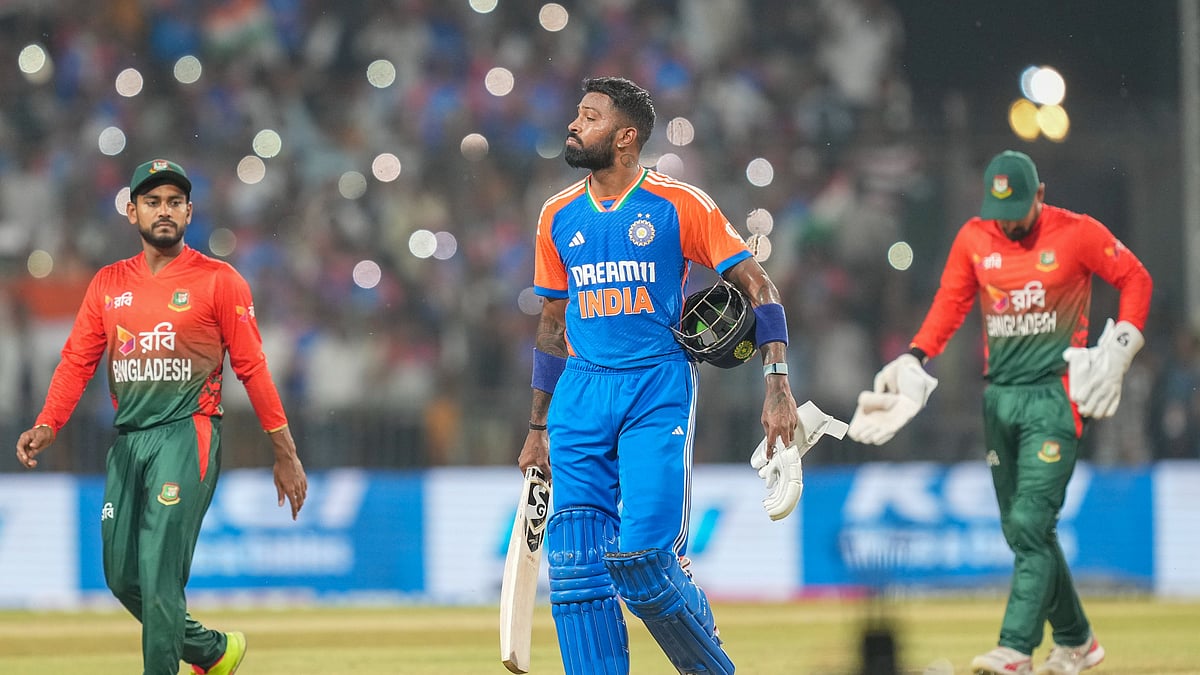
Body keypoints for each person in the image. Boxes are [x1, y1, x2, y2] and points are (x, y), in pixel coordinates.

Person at [517, 76, 800, 675]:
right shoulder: (556, 215)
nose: (573, 124)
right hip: (579, 397)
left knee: (643, 561)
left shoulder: (680, 204)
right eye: (576, 113)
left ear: (624, 138)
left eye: (588, 117)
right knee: (573, 572)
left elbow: (761, 287)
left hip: (655, 390)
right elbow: (550, 324)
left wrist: (777, 383)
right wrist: (537, 427)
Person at [847, 150, 1152, 675]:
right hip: (999, 399)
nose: (1007, 223)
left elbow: (1136, 278)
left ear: (1039, 194)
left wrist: (1123, 345)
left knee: (1032, 521)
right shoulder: (974, 237)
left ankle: (1015, 649)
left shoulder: (1076, 233)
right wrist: (915, 355)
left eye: (1017, 210)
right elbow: (951, 302)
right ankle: (1078, 642)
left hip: (1054, 396)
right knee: (1022, 531)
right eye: (998, 211)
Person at [15, 158, 308, 675]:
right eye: (152, 202)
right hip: (128, 443)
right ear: (132, 212)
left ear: (190, 212)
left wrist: (284, 452)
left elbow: (253, 368)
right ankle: (214, 651)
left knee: (158, 573)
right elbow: (77, 360)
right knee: (122, 576)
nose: (164, 211)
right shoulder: (107, 284)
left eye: (174, 202)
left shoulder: (220, 281)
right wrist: (47, 423)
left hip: (186, 433)